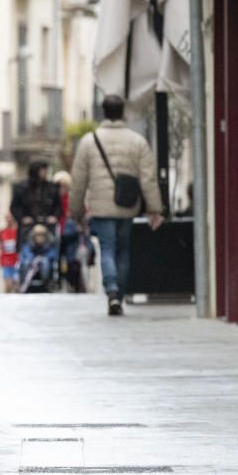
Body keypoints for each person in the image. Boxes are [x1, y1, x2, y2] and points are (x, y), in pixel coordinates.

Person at [70, 94, 163, 316]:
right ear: (122, 112)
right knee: (123, 250)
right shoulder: (137, 141)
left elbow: (79, 180)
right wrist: (154, 209)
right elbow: (148, 178)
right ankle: (118, 295)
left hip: (101, 207)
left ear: (103, 112)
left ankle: (111, 290)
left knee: (108, 248)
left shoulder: (88, 141)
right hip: (127, 204)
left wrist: (76, 210)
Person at [10, 160, 61, 249]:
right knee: (26, 252)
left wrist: (54, 217)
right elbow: (14, 207)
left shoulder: (52, 188)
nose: (45, 172)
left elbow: (58, 206)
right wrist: (22, 218)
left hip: (47, 226)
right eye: (43, 170)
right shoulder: (22, 188)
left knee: (50, 250)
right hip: (27, 227)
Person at [18, 223, 60, 293]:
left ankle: (46, 283)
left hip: (45, 260)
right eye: (37, 234)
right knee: (26, 262)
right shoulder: (29, 241)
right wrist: (33, 258)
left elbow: (53, 254)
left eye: (41, 234)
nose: (39, 237)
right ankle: (23, 282)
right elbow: (25, 252)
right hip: (32, 262)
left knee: (45, 262)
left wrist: (44, 257)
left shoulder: (50, 242)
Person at [0, 212, 19, 293]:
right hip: (6, 260)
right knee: (8, 284)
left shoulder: (18, 231)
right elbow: (0, 245)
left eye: (10, 217)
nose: (8, 220)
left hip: (17, 260)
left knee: (17, 284)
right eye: (7, 217)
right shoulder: (2, 232)